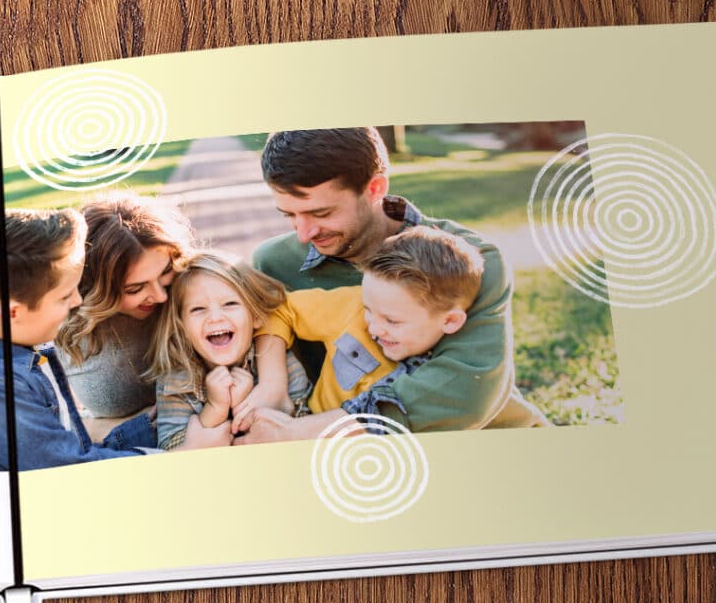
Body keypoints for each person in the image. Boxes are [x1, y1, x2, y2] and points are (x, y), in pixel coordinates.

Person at [247, 127, 548, 440]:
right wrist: (272, 382)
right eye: (289, 215)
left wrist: (297, 434)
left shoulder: (471, 259)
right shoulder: (274, 263)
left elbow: (465, 390)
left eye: (321, 213)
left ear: (375, 188)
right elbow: (265, 322)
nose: (303, 233)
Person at [0, 209, 230, 474]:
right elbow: (71, 473)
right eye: (63, 296)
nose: (76, 302)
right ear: (12, 313)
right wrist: (187, 457)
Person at [243, 227, 546, 438]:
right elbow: (276, 307)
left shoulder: (457, 374)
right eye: (369, 310)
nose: (373, 327)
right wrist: (273, 383)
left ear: (450, 322)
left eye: (393, 321)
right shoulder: (354, 308)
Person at [55, 195, 195, 439]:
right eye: (135, 289)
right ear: (96, 286)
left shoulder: (194, 289)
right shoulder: (64, 323)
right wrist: (98, 429)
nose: (160, 296)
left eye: (164, 272)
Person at [147, 251, 309, 449]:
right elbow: (173, 450)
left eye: (230, 304)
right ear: (181, 327)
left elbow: (303, 429)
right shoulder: (176, 379)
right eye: (198, 309)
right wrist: (216, 409)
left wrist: (246, 407)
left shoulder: (281, 364)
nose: (215, 317)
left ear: (256, 315)